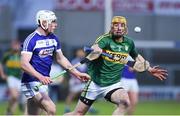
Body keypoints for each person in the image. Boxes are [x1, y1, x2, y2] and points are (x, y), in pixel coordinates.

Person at [65, 16, 168, 115]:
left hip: (113, 84)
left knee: (125, 103)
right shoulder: (105, 39)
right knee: (77, 114)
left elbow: (137, 56)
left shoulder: (129, 43)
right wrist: (96, 49)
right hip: (95, 83)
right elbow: (96, 47)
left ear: (125, 28)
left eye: (122, 25)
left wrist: (149, 69)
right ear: (111, 27)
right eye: (116, 25)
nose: (119, 28)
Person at [20, 10, 90, 115]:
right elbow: (24, 64)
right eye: (52, 22)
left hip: (43, 82)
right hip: (31, 82)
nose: (55, 25)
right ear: (43, 22)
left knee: (32, 114)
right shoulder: (31, 40)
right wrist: (40, 77)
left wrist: (77, 73)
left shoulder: (54, 39)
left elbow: (61, 59)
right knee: (51, 108)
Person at [64, 48, 97, 114]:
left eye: (82, 52)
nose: (81, 54)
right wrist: (76, 79)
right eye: (79, 52)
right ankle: (67, 108)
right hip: (75, 81)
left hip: (82, 81)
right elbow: (72, 71)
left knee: (87, 94)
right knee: (72, 95)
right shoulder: (74, 61)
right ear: (77, 53)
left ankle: (90, 108)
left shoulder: (85, 61)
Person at [0, 40, 26, 115]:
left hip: (19, 78)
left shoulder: (21, 56)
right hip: (10, 77)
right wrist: (2, 74)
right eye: (14, 45)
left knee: (16, 97)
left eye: (17, 45)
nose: (16, 47)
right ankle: (9, 109)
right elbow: (1, 64)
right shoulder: (8, 55)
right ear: (12, 46)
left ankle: (10, 113)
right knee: (14, 96)